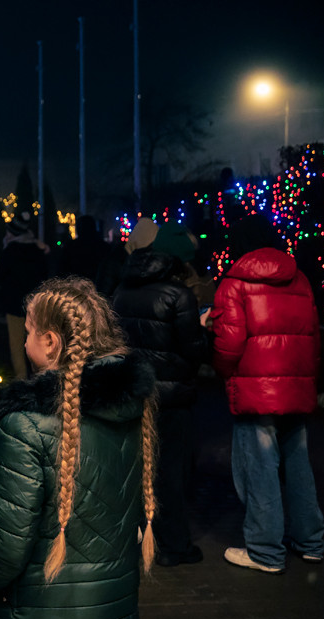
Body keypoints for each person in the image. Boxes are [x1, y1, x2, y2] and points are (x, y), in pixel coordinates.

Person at [0, 276, 157, 619]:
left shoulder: (26, 426)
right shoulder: (133, 408)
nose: (24, 342)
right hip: (115, 612)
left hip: (40, 615)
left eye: (28, 333)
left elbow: (5, 553)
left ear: (51, 342)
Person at [210, 214, 324, 573]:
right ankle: (310, 542)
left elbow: (227, 345)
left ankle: (264, 550)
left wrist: (227, 375)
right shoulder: (300, 278)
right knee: (298, 464)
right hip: (294, 387)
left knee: (259, 468)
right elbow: (314, 336)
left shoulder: (234, 282)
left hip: (256, 390)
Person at [112, 222, 208, 567]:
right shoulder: (178, 296)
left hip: (135, 393)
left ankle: (137, 538)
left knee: (137, 468)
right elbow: (194, 348)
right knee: (170, 474)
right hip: (171, 399)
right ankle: (174, 546)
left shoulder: (122, 290)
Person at [0, 211, 49, 380]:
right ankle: (40, 376)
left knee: (16, 344)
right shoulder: (37, 250)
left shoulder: (10, 250)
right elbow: (45, 274)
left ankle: (21, 378)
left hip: (14, 304)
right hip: (35, 304)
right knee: (36, 342)